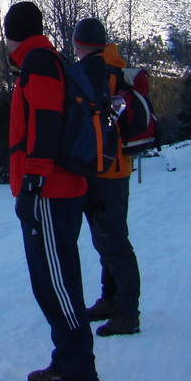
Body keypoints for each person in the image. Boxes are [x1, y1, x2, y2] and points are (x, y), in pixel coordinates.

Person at [3, 1, 103, 381]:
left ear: (14, 34)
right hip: (56, 188)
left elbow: (45, 121)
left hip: (49, 190)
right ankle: (66, 362)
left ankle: (82, 379)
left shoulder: (39, 63)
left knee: (56, 285)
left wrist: (33, 179)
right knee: (57, 280)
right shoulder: (46, 59)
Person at [71, 18, 142, 337]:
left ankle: (127, 312)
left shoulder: (96, 71)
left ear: (79, 43)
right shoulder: (114, 66)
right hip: (117, 167)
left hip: (105, 169)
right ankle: (110, 300)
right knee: (108, 238)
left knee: (113, 241)